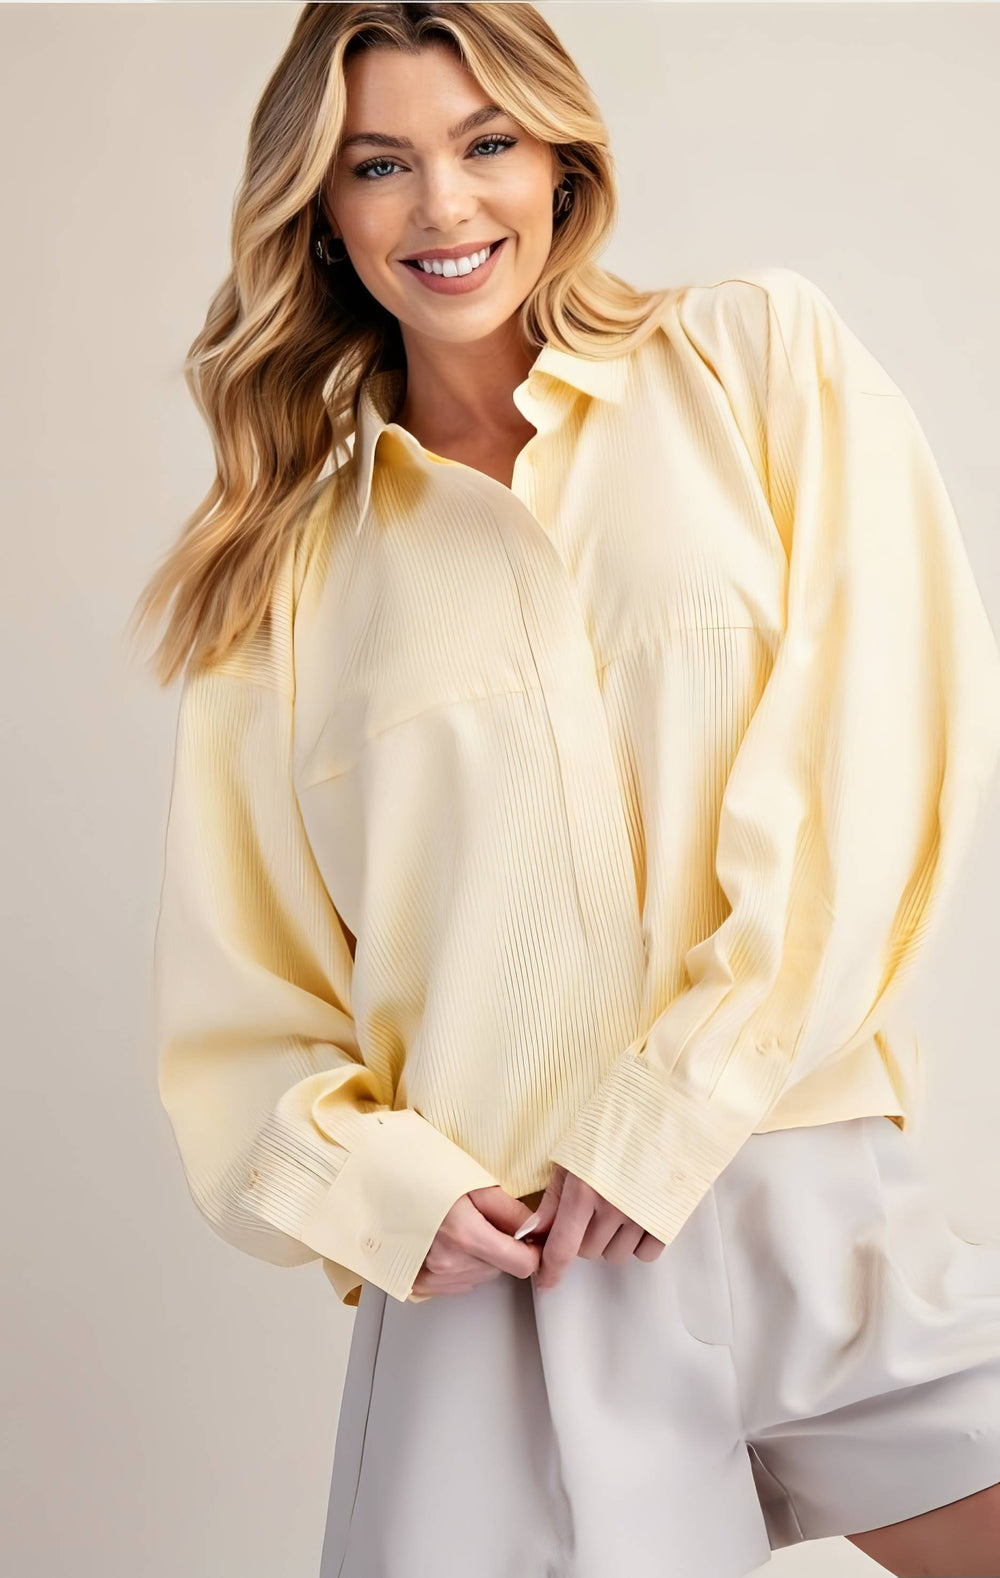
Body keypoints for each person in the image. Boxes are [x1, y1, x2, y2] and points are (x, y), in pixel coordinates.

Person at [132, 5, 1000, 1575]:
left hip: (798, 1196)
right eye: (380, 164)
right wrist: (387, 1190)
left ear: (560, 157)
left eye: (487, 145)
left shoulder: (754, 362)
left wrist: (677, 1098)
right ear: (321, 211)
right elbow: (240, 1006)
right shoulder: (283, 584)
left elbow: (879, 743)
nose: (446, 209)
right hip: (502, 1286)